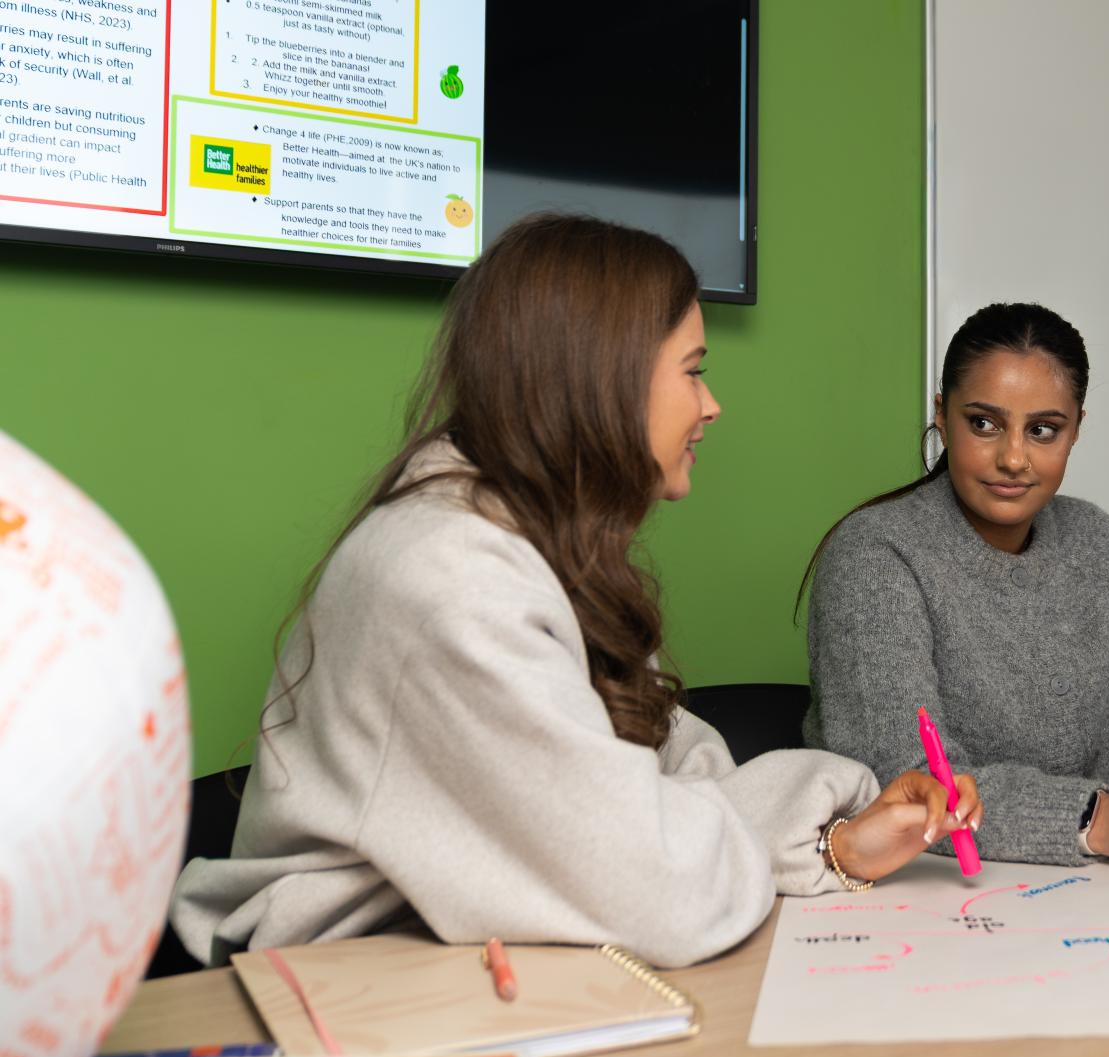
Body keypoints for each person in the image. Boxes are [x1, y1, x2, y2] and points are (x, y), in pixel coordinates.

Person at [170, 215, 979, 969]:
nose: (710, 405)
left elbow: (675, 774)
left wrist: (831, 846)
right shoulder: (450, 576)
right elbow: (660, 885)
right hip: (350, 983)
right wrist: (788, 828)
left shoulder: (545, 548)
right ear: (606, 381)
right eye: (693, 372)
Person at [801, 302, 1109, 869]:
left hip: (1099, 899)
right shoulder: (876, 554)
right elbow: (907, 777)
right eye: (983, 423)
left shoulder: (1096, 539)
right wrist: (1101, 819)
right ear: (942, 415)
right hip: (934, 898)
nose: (1013, 458)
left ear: (1076, 430)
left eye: (1043, 430)